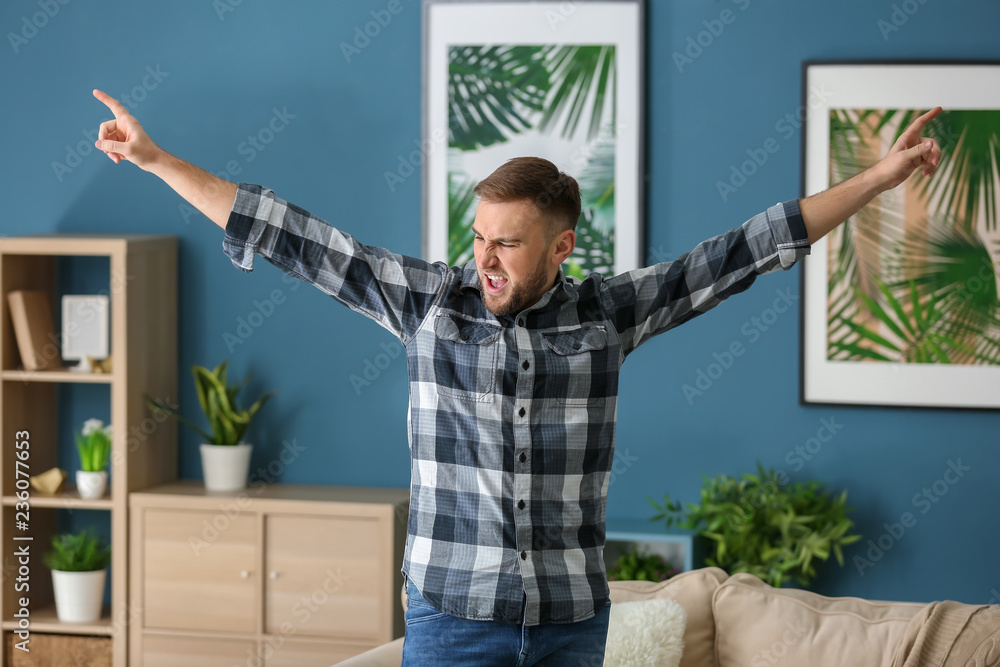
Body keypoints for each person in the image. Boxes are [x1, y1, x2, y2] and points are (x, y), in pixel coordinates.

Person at [91, 88, 941, 666]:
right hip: (452, 621)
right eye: (478, 236)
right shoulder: (431, 304)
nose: (484, 259)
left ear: (562, 247)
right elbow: (289, 235)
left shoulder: (607, 314)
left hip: (572, 626)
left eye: (507, 242)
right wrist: (161, 161)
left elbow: (747, 249)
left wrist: (876, 177)